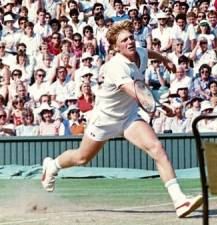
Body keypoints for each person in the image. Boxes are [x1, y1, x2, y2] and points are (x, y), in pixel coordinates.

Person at [40, 21, 202, 218]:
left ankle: (180, 201)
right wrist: (159, 106)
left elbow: (148, 52)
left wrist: (165, 59)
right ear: (116, 47)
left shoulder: (139, 52)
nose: (130, 42)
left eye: (131, 38)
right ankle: (52, 166)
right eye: (124, 40)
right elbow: (136, 94)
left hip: (129, 118)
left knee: (157, 148)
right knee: (82, 158)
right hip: (105, 120)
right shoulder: (114, 67)